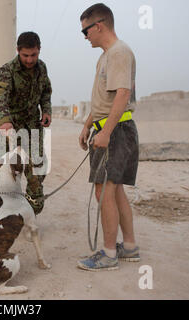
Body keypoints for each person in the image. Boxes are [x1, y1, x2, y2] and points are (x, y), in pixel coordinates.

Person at [77, 3, 140, 271]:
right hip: (111, 129)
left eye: (85, 31)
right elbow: (105, 99)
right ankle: (130, 247)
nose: (85, 36)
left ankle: (109, 254)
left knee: (104, 192)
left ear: (98, 26)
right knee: (116, 192)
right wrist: (87, 125)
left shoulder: (119, 52)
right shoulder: (105, 56)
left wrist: (105, 132)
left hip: (116, 132)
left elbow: (123, 95)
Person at [0, 31, 52, 215]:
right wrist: (4, 120)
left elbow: (46, 92)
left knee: (38, 169)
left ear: (39, 50)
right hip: (8, 127)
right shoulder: (7, 70)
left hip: (33, 126)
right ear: (18, 51)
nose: (29, 59)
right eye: (25, 55)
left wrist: (46, 109)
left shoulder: (42, 68)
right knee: (0, 171)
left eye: (34, 55)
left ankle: (30, 210)